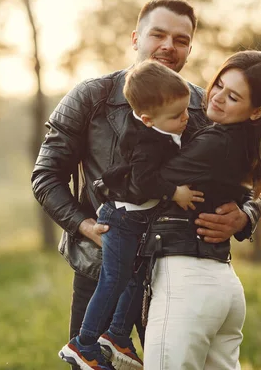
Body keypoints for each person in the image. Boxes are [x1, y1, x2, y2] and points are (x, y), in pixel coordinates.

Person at [31, 0, 261, 370]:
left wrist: (245, 216)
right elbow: (45, 176)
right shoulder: (92, 97)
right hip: (103, 265)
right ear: (135, 38)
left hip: (175, 271)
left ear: (190, 48)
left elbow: (248, 181)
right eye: (158, 35)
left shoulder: (207, 107)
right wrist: (85, 226)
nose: (169, 46)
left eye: (181, 40)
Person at [141, 50, 261, 369]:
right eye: (220, 85)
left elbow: (147, 183)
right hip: (221, 286)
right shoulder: (247, 143)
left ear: (257, 112)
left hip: (186, 281)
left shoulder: (215, 142)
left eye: (233, 96)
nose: (218, 97)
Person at [58, 60, 205, 370]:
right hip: (123, 220)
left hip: (133, 221)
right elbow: (143, 180)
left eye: (187, 111)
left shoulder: (158, 131)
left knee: (133, 280)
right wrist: (174, 192)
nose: (186, 118)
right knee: (114, 281)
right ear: (148, 119)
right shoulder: (147, 141)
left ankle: (117, 336)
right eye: (177, 115)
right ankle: (83, 344)